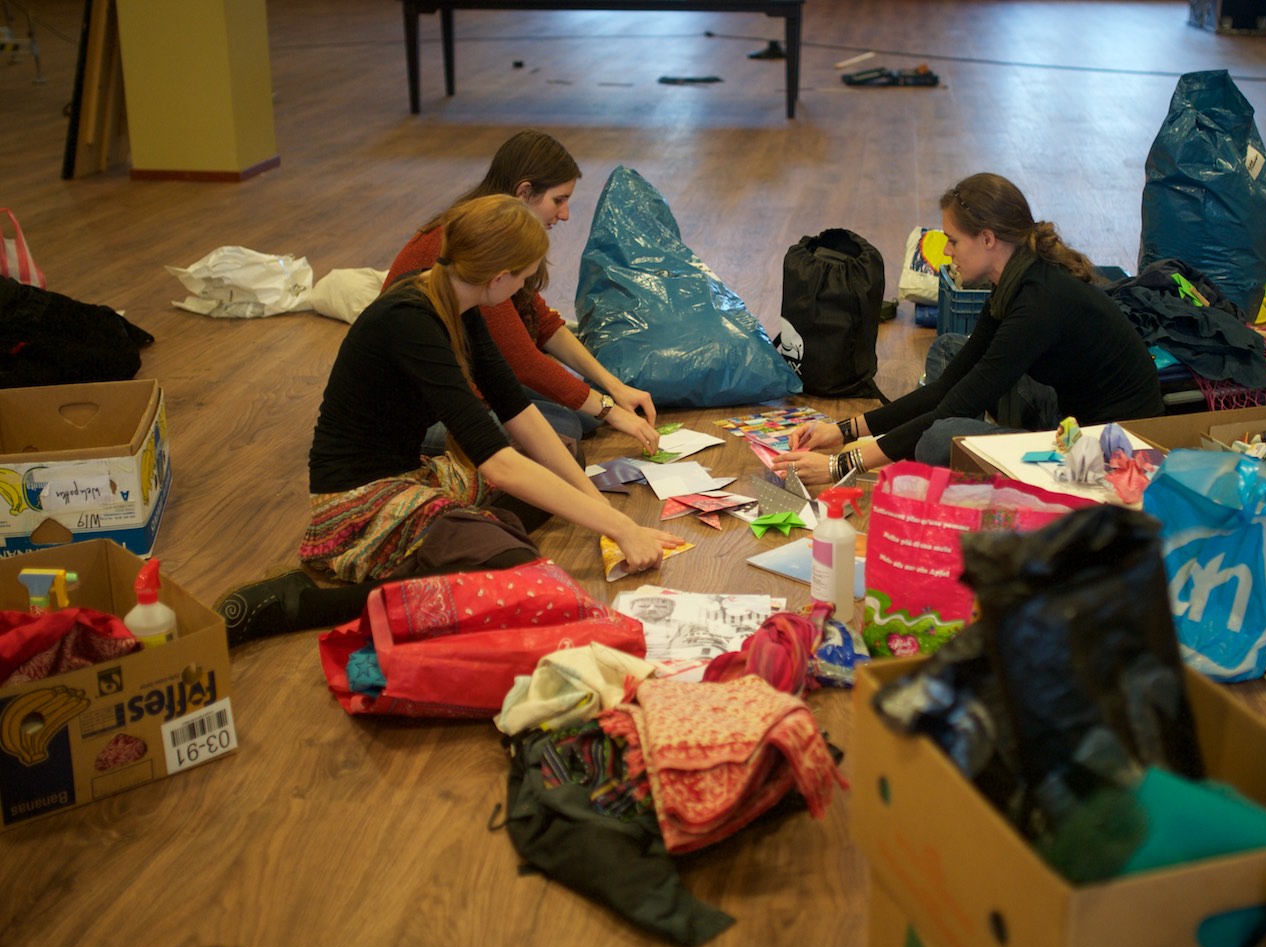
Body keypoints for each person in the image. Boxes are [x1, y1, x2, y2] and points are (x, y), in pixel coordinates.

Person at [217, 195, 685, 646]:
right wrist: (621, 529)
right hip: (358, 499)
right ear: (498, 278)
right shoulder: (410, 320)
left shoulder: (457, 296)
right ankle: (309, 604)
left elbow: (516, 409)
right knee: (508, 566)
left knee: (561, 456)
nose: (525, 288)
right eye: (524, 278)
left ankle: (463, 538)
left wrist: (608, 519)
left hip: (412, 474)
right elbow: (497, 463)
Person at [773, 172, 1164, 485]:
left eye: (953, 241)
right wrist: (843, 431)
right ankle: (986, 436)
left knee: (938, 437)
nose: (947, 251)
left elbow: (952, 407)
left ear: (988, 239)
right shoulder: (1011, 278)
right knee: (948, 351)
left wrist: (840, 465)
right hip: (1067, 415)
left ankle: (983, 438)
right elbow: (948, 388)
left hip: (1105, 449)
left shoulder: (1038, 301)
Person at [387, 130, 661, 455]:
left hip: (465, 380)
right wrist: (609, 409)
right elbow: (521, 359)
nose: (565, 214)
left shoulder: (499, 233)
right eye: (558, 200)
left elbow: (543, 323)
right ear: (524, 192)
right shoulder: (478, 245)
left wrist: (613, 389)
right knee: (567, 426)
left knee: (582, 417)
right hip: (418, 408)